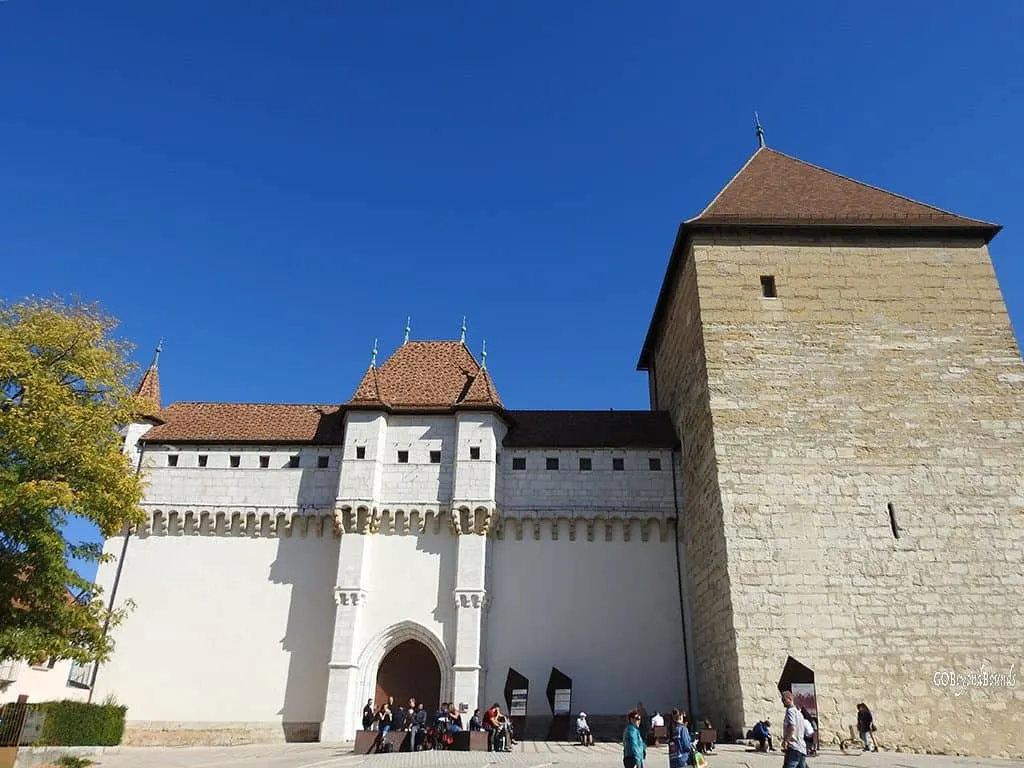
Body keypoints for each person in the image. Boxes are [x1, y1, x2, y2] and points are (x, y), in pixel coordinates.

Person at [781, 691, 808, 768]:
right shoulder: (799, 713)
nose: (783, 703)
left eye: (784, 700)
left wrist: (786, 741)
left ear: (790, 699)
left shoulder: (790, 711)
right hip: (802, 747)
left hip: (794, 746)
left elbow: (792, 727)